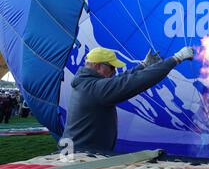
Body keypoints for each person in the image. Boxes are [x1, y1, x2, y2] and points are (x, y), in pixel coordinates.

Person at [60, 46, 194, 154]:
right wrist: (176, 59)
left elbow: (118, 80)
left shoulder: (86, 83)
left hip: (78, 151)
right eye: (112, 67)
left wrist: (142, 66)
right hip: (81, 157)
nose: (114, 72)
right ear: (97, 66)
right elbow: (135, 81)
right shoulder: (95, 89)